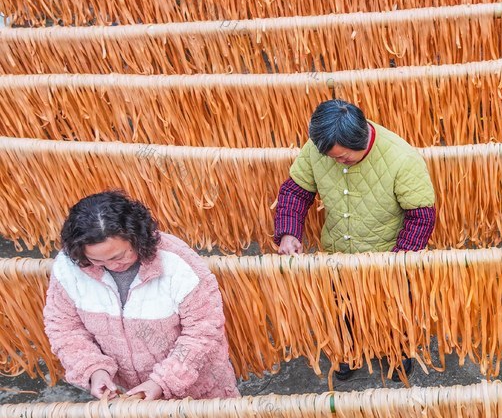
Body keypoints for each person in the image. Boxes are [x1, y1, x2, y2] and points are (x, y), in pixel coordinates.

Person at [273, 99, 436, 381]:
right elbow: (295, 191)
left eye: (343, 157)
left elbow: (421, 216)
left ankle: (397, 353)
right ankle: (350, 352)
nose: (337, 162)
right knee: (343, 307)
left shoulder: (402, 158)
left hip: (387, 254)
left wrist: (400, 259)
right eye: (332, 158)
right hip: (338, 251)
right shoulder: (318, 149)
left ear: (360, 140)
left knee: (393, 308)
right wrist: (289, 232)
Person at [43, 191, 239, 401]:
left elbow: (204, 330)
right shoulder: (68, 269)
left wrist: (163, 381)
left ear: (136, 236)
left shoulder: (177, 262)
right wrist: (94, 370)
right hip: (126, 396)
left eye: (118, 256)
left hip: (197, 392)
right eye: (97, 261)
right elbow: (64, 327)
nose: (112, 266)